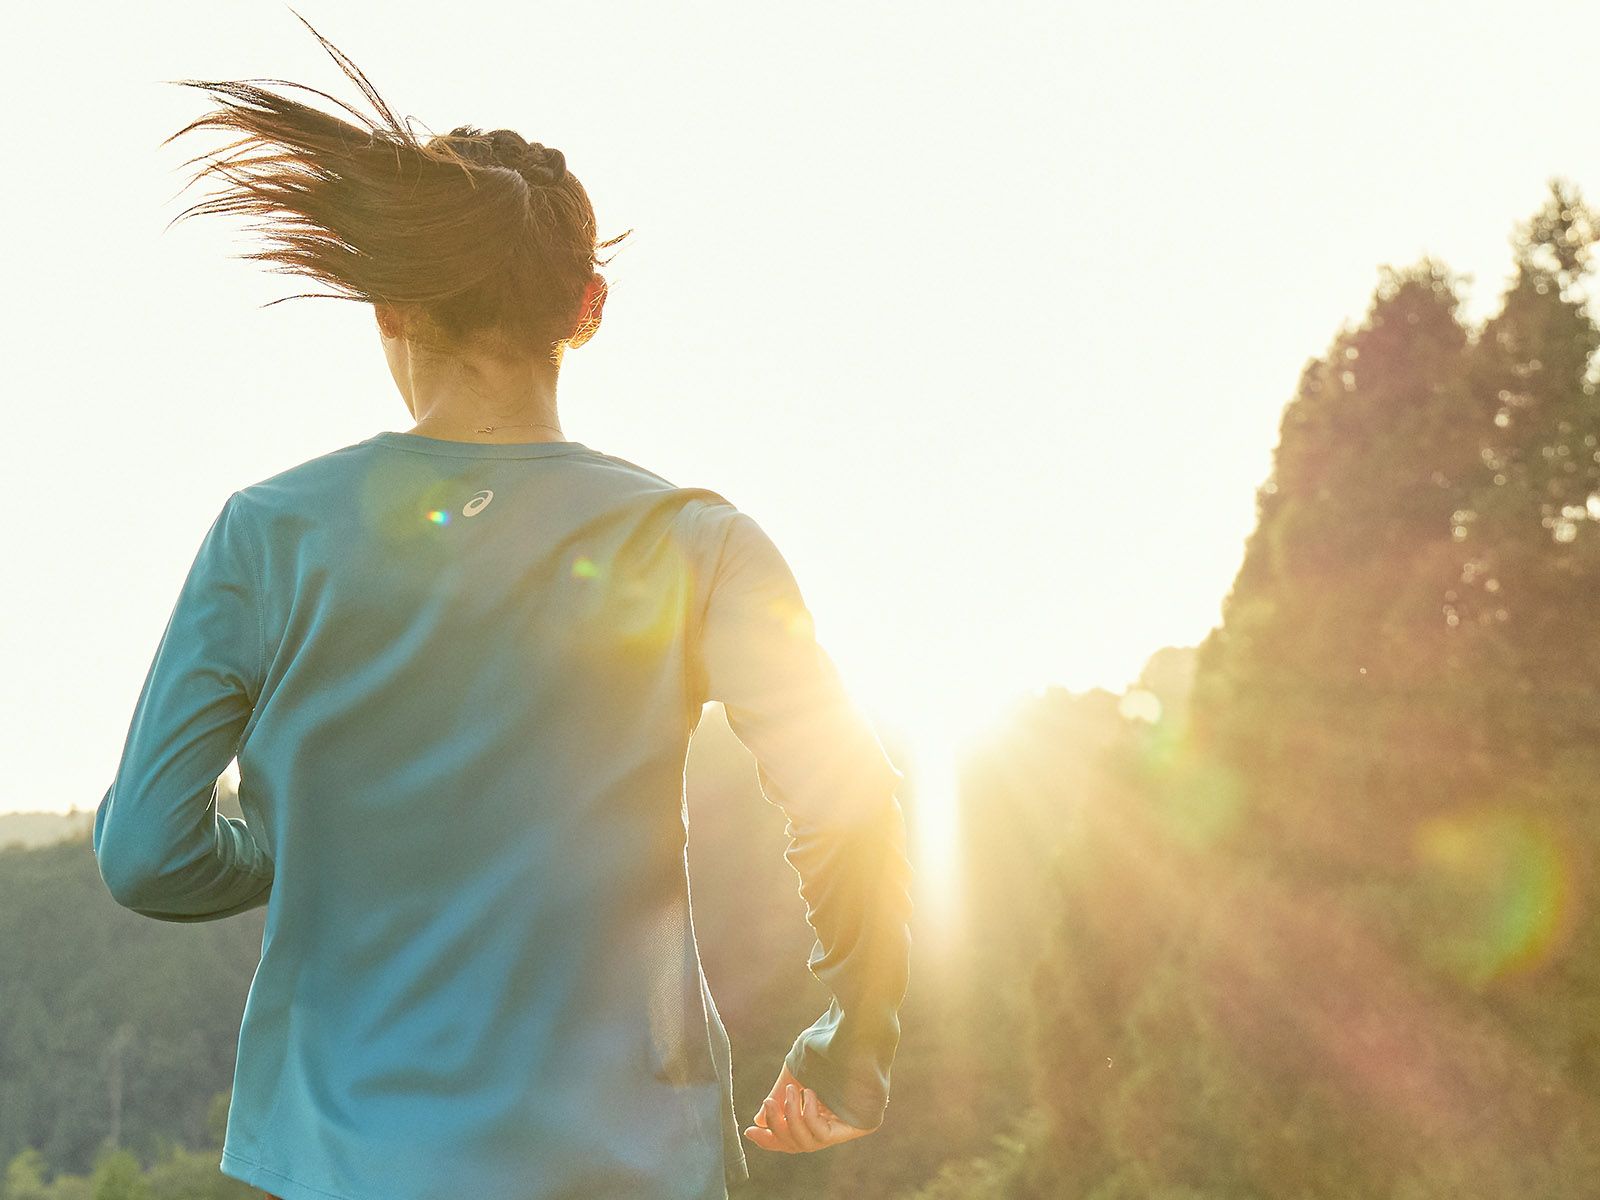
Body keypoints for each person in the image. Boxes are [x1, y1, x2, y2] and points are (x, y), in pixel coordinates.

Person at [91, 12, 915, 1200]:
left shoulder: (268, 535)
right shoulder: (699, 542)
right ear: (586, 306)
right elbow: (847, 797)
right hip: (629, 1170)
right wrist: (854, 1043)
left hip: (339, 1164)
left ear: (390, 308)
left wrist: (300, 843)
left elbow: (147, 858)